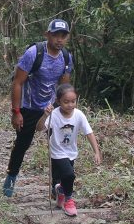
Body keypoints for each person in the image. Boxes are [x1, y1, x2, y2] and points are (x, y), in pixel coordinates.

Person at [2, 19, 74, 197]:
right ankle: (11, 177)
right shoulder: (34, 53)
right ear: (47, 35)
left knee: (58, 145)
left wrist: (64, 112)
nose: (59, 39)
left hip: (50, 107)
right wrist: (16, 112)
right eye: (55, 35)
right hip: (28, 106)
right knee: (22, 144)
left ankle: (57, 186)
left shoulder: (66, 57)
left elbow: (63, 89)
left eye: (63, 36)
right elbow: (17, 82)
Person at [37, 83, 101, 217]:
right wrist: (44, 115)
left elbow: (89, 133)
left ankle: (60, 190)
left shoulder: (79, 115)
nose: (70, 105)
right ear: (58, 101)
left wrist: (96, 151)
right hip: (57, 151)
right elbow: (39, 128)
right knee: (69, 175)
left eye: (73, 101)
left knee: (65, 178)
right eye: (66, 102)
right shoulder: (54, 114)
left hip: (71, 152)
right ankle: (69, 200)